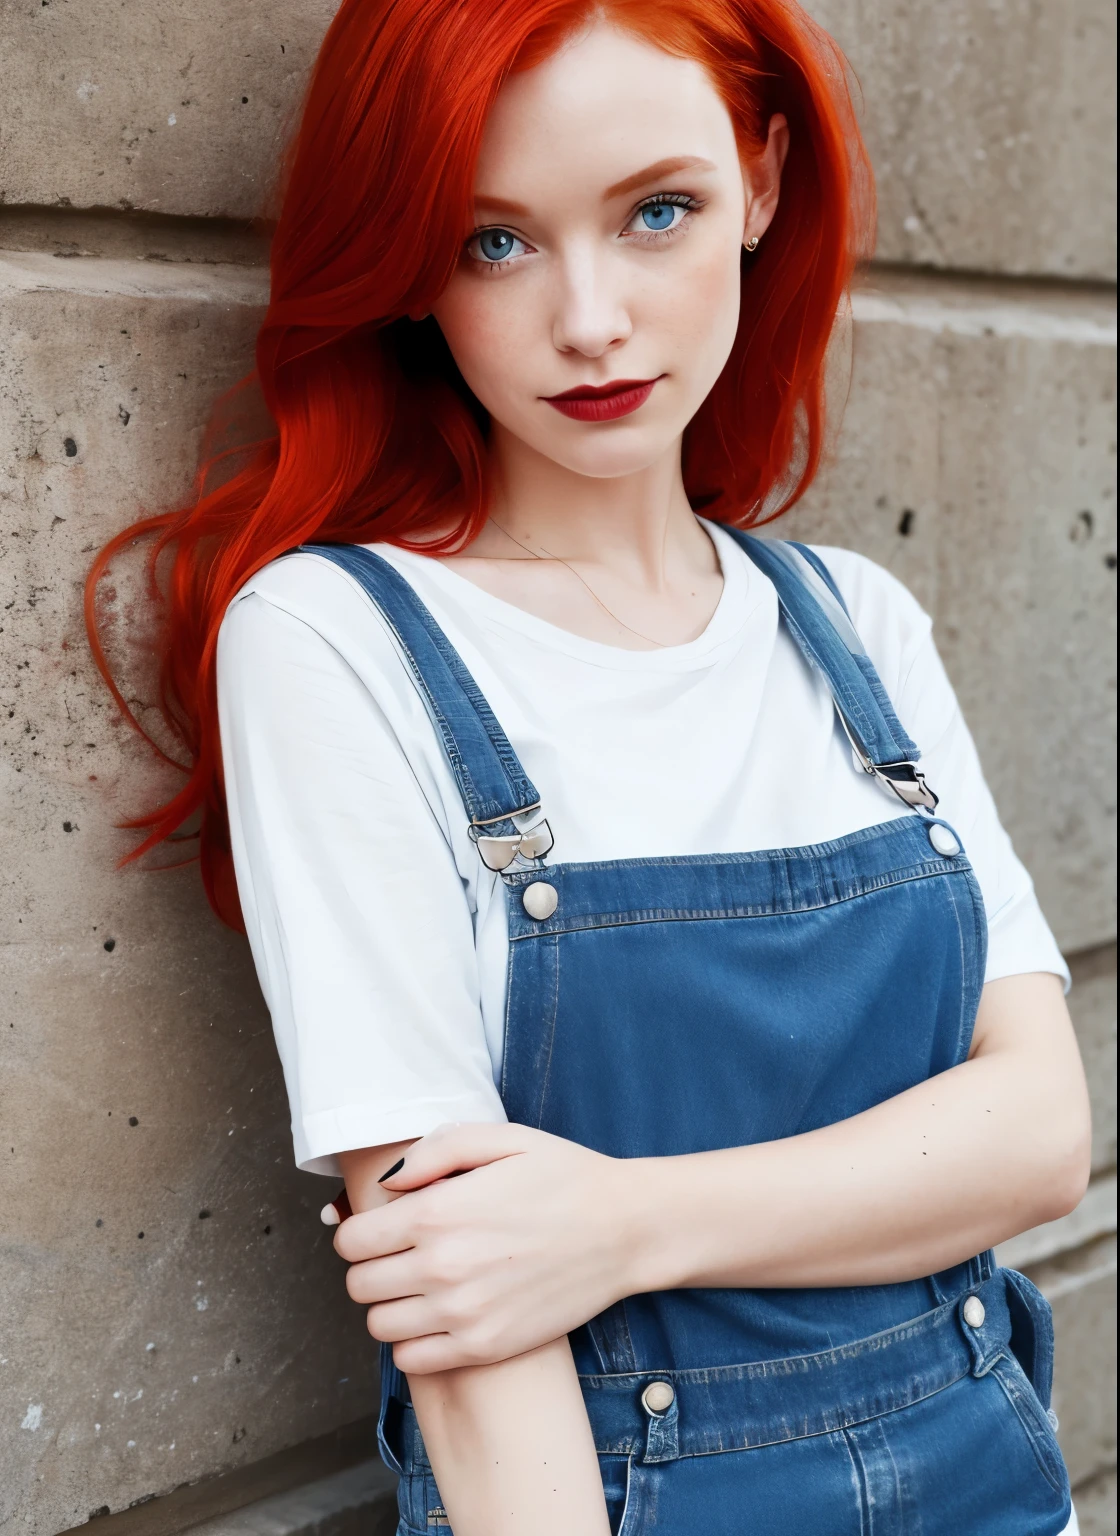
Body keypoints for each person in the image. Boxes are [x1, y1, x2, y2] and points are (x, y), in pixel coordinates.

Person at [87, 1, 1091, 1531]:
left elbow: (1038, 1138)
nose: (591, 321)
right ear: (411, 266)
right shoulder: (335, 640)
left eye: (658, 214)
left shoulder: (854, 624)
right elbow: (469, 1316)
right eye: (494, 242)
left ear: (762, 183)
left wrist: (617, 1223)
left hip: (992, 1476)